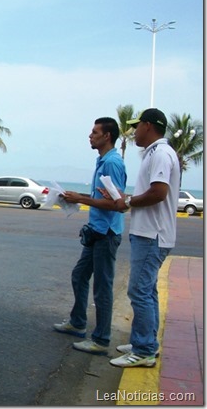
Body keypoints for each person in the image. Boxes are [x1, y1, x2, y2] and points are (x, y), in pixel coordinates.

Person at [108, 108, 180, 368]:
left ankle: (144, 350)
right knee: (147, 291)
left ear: (147, 126)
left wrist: (127, 202)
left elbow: (159, 193)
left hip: (152, 236)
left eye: (136, 126)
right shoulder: (157, 153)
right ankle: (145, 341)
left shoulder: (160, 153)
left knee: (138, 291)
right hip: (150, 234)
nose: (134, 131)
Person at [53, 117, 127, 355]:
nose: (90, 135)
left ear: (107, 136)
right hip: (97, 231)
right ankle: (77, 322)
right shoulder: (102, 160)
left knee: (102, 288)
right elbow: (103, 195)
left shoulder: (112, 163)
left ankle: (102, 339)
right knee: (79, 275)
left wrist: (81, 199)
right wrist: (76, 196)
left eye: (95, 132)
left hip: (107, 233)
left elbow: (115, 203)